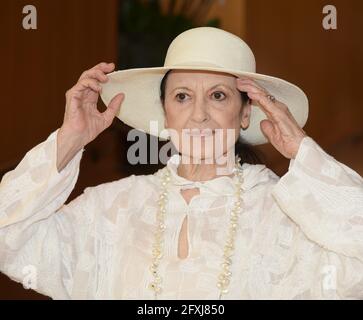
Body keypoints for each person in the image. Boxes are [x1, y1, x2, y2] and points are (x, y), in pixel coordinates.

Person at [0, 27, 362, 300]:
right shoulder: (110, 208)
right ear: (165, 113)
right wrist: (69, 140)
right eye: (182, 96)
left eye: (218, 96)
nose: (199, 115)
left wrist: (301, 150)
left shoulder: (284, 210)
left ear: (246, 112)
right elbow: (8, 238)